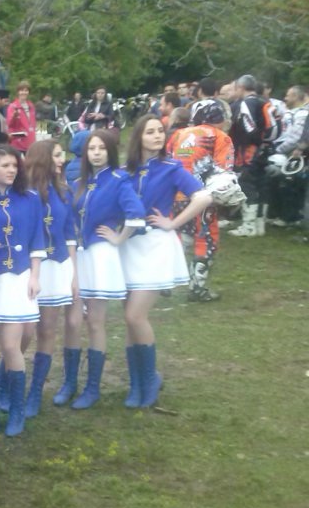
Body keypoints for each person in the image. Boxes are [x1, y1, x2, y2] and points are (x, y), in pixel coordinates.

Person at [121, 116, 211, 408]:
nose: (157, 136)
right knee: (129, 319)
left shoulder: (171, 167)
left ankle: (150, 379)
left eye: (160, 131)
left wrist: (173, 223)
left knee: (135, 316)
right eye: (150, 132)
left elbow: (203, 197)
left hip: (155, 247)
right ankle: (136, 383)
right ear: (139, 136)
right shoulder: (125, 171)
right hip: (127, 247)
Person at [53, 130, 145, 410]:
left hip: (100, 256)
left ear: (110, 152)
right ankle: (69, 382)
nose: (96, 153)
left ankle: (92, 388)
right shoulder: (77, 183)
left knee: (94, 322)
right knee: (72, 321)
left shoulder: (119, 180)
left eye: (102, 148)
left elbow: (136, 214)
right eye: (92, 148)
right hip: (76, 257)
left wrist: (118, 238)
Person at [0, 145, 45, 436]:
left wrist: (35, 276)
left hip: (19, 279)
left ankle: (16, 409)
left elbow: (38, 238)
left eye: (14, 165)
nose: (12, 170)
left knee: (10, 346)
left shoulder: (30, 198)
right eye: (5, 165)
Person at [21, 140, 78, 419]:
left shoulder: (64, 192)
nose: (62, 160)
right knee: (22, 331)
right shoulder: (22, 193)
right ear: (43, 158)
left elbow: (69, 235)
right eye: (56, 155)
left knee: (46, 331)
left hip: (55, 268)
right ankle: (7, 380)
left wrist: (74, 275)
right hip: (25, 268)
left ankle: (34, 391)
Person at [167, 99, 235, 302]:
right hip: (202, 197)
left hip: (175, 195)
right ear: (218, 117)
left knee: (176, 236)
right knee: (205, 239)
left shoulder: (179, 134)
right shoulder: (220, 137)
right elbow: (224, 172)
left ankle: (165, 281)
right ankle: (197, 287)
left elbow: (166, 161)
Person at [229, 74, 277, 237]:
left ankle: (248, 226)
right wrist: (264, 143)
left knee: (246, 184)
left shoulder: (246, 103)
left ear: (241, 87)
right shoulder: (265, 102)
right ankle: (259, 224)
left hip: (248, 150)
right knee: (261, 184)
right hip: (265, 149)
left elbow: (249, 128)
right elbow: (276, 127)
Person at [267, 85, 308, 226]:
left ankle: (291, 217)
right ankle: (282, 215)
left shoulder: (302, 114)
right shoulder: (290, 112)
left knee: (290, 185)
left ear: (296, 97)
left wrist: (278, 150)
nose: (285, 98)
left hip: (293, 155)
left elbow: (295, 138)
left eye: (288, 95)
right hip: (287, 153)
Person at [6, 81, 37, 152]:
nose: (24, 92)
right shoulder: (13, 106)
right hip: (18, 143)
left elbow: (33, 123)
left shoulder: (31, 106)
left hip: (30, 142)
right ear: (18, 92)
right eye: (22, 90)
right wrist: (14, 117)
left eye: (26, 90)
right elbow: (9, 124)